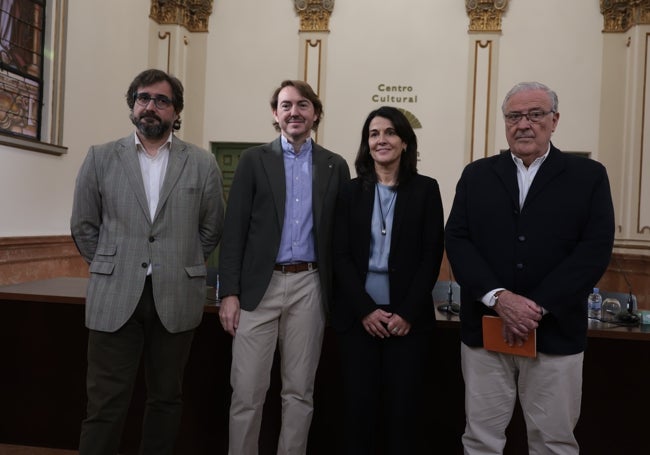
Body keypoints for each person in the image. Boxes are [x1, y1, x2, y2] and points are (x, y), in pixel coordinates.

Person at [445, 81, 615, 454]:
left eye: (535, 115)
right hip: (486, 333)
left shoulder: (588, 176)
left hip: (555, 334)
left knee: (553, 442)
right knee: (480, 440)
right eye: (514, 116)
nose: (524, 124)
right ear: (505, 123)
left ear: (554, 120)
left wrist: (534, 306)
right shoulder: (477, 175)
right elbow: (457, 240)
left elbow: (594, 249)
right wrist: (499, 298)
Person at [71, 68, 224, 455]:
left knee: (166, 399)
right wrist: (112, 264)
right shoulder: (101, 157)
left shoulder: (202, 163)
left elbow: (212, 227)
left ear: (176, 111)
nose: (150, 106)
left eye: (161, 100)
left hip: (175, 295)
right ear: (132, 105)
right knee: (104, 404)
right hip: (114, 294)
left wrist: (180, 261)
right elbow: (84, 225)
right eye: (143, 98)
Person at [218, 79, 350, 455]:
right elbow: (234, 230)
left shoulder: (334, 165)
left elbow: (340, 238)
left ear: (316, 114)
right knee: (247, 392)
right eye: (286, 105)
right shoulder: (253, 160)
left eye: (303, 105)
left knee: (299, 392)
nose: (295, 112)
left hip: (310, 285)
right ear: (276, 115)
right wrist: (229, 292)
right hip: (259, 289)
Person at [331, 106, 445, 454]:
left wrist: (407, 313)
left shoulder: (426, 189)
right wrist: (365, 310)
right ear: (367, 145)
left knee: (404, 411)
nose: (382, 140)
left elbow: (431, 254)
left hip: (407, 320)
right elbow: (341, 255)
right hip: (358, 318)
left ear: (405, 142)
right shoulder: (350, 192)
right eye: (374, 134)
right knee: (358, 410)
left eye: (390, 132)